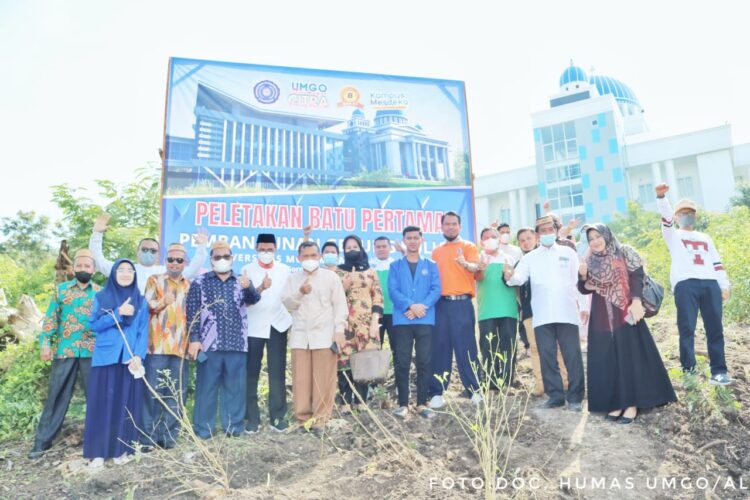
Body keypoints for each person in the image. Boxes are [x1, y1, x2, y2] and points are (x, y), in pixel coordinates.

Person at [579, 224, 677, 423]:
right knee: (606, 358)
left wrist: (636, 301)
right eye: (591, 239)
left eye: (598, 236)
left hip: (626, 312)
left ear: (607, 235)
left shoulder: (624, 252)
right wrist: (582, 275)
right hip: (601, 317)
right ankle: (615, 403)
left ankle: (631, 404)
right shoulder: (589, 261)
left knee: (628, 356)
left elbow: (637, 276)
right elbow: (583, 289)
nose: (595, 241)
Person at [505, 216, 588, 411]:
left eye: (550, 229)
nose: (546, 233)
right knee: (547, 355)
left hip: (567, 311)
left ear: (556, 230)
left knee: (572, 355)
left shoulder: (568, 252)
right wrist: (509, 276)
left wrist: (583, 305)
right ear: (537, 235)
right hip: (541, 314)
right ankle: (555, 396)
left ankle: (575, 397)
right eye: (542, 231)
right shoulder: (530, 258)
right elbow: (518, 278)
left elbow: (577, 281)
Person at [655, 184, 733, 385]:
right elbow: (665, 218)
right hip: (685, 284)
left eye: (690, 212)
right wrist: (661, 197)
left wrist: (724, 285)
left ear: (695, 216)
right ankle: (689, 372)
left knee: (715, 328)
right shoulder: (673, 235)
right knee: (687, 328)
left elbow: (717, 262)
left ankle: (719, 371)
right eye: (682, 212)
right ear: (676, 216)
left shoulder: (705, 237)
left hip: (710, 284)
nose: (686, 215)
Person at [29, 249, 100, 460]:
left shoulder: (100, 293)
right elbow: (50, 319)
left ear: (94, 270)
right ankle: (41, 443)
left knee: (96, 398)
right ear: (73, 268)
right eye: (79, 265)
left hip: (91, 352)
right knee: (57, 396)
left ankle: (97, 443)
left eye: (87, 266)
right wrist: (45, 344)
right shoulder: (61, 291)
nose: (83, 269)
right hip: (65, 351)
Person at [186, 241, 261, 438]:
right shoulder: (199, 282)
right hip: (208, 345)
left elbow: (253, 300)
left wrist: (250, 287)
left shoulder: (240, 280)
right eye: (217, 257)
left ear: (232, 258)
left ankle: (234, 428)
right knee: (207, 388)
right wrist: (194, 339)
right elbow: (191, 313)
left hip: (236, 344)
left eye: (226, 256)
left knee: (235, 388)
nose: (222, 260)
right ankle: (204, 429)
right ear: (211, 260)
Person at [83, 259, 149, 468]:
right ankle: (99, 453)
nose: (126, 274)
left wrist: (139, 355)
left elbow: (143, 331)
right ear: (113, 274)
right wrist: (118, 314)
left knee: (125, 405)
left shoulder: (140, 300)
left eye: (130, 270)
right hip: (105, 358)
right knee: (102, 405)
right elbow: (93, 325)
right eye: (121, 270)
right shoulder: (102, 297)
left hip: (129, 360)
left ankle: (122, 450)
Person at [282, 241, 348, 435]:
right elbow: (287, 303)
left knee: (323, 379)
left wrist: (339, 331)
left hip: (325, 335)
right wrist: (300, 293)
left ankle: (320, 420)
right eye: (305, 256)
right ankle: (303, 420)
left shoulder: (331, 277)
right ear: (299, 258)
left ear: (319, 257)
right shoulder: (293, 279)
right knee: (301, 379)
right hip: (301, 337)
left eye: (313, 255)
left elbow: (339, 306)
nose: (309, 259)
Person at [429, 211, 482, 409]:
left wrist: (464, 263)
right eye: (447, 224)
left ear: (459, 227)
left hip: (462, 303)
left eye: (454, 224)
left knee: (466, 348)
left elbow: (476, 268)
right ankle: (437, 392)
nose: (450, 227)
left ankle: (475, 390)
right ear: (441, 227)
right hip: (440, 304)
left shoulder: (468, 246)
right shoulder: (436, 251)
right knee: (440, 348)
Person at [387, 226, 441, 419]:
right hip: (403, 319)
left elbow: (436, 290)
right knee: (402, 361)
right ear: (404, 241)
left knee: (424, 360)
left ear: (421, 240)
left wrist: (420, 308)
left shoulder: (431, 265)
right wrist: (411, 306)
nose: (412, 241)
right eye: (408, 238)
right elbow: (393, 291)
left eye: (415, 238)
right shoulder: (395, 266)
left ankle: (421, 403)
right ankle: (403, 404)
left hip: (425, 318)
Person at [142, 243, 192, 449]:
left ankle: (169, 438)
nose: (174, 263)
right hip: (157, 348)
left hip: (181, 348)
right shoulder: (154, 280)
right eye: (171, 259)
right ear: (165, 261)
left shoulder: (189, 285)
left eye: (179, 260)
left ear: (185, 263)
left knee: (176, 393)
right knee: (153, 392)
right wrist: (163, 301)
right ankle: (148, 438)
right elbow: (145, 307)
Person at [241, 234, 292, 434]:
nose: (266, 253)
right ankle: (251, 418)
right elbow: (244, 300)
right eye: (262, 249)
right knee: (251, 372)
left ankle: (278, 417)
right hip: (253, 326)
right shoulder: (247, 269)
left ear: (276, 249)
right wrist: (260, 287)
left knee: (277, 371)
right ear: (256, 249)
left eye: (269, 249)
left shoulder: (285, 270)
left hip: (277, 325)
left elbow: (289, 297)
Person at [89, 214, 208, 293]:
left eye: (153, 251)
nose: (148, 253)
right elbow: (99, 262)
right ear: (137, 251)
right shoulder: (125, 270)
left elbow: (192, 270)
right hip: (130, 322)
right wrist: (97, 234)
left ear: (158, 254)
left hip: (157, 325)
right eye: (144, 250)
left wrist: (201, 247)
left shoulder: (166, 272)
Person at [515, 227, 568, 397]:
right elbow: (512, 284)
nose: (526, 242)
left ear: (536, 238)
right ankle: (541, 385)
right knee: (535, 349)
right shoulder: (519, 264)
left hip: (550, 310)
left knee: (557, 347)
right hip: (530, 313)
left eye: (529, 238)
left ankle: (565, 382)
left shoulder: (547, 258)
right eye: (522, 240)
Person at [336, 235, 384, 413]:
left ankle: (361, 400)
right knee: (345, 363)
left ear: (361, 248)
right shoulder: (338, 273)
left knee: (364, 363)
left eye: (355, 247)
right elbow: (332, 298)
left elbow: (378, 297)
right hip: (345, 325)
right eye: (348, 248)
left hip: (366, 324)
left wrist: (374, 322)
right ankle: (345, 401)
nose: (352, 250)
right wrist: (344, 286)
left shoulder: (371, 272)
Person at [476, 227, 519, 389]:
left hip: (508, 309)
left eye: (494, 236)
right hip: (487, 310)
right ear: (482, 242)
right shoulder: (479, 258)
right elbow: (477, 277)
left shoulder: (509, 258)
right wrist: (481, 267)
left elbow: (516, 282)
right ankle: (491, 382)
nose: (491, 239)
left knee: (509, 347)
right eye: (487, 237)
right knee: (488, 348)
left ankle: (507, 381)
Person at [372, 236, 395, 353]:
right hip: (376, 314)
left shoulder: (397, 265)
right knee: (375, 349)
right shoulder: (369, 267)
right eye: (378, 247)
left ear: (390, 248)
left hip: (395, 313)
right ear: (374, 249)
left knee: (397, 349)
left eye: (384, 246)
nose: (381, 249)